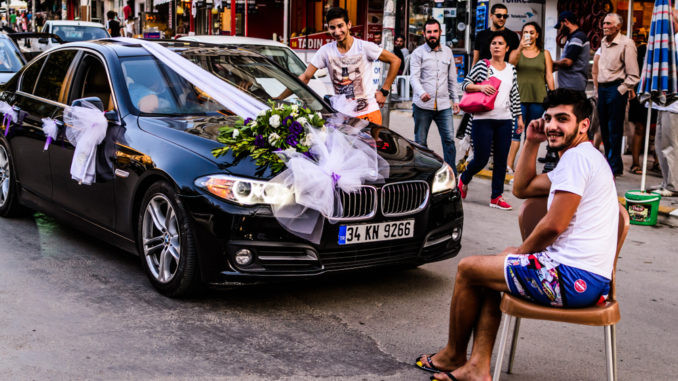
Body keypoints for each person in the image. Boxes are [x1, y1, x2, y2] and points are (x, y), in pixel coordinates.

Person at [415, 89, 619, 381]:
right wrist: (532, 142)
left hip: (573, 279)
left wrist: (521, 253)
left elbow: (553, 226)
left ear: (583, 125)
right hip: (586, 278)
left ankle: (452, 355)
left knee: (468, 268)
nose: (551, 126)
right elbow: (523, 188)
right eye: (548, 118)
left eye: (563, 119)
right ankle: (477, 367)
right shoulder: (582, 157)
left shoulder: (577, 160)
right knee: (493, 266)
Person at [293, 7, 400, 125]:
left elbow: (395, 60)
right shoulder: (326, 51)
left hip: (368, 113)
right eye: (332, 27)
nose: (337, 32)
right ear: (328, 28)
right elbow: (305, 77)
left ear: (349, 25)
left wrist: (384, 91)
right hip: (343, 116)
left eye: (340, 26)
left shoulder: (364, 47)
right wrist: (278, 98)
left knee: (370, 144)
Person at [458, 32, 523, 210]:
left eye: (500, 43)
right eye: (493, 43)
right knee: (481, 158)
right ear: (490, 47)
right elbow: (465, 84)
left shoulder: (511, 69)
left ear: (507, 48)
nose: (496, 46)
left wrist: (519, 117)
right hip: (483, 119)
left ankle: (496, 197)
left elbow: (515, 94)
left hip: (505, 120)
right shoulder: (482, 66)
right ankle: (464, 178)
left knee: (501, 160)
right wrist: (480, 86)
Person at [409, 19, 461, 174]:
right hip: (422, 106)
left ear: (440, 33)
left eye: (435, 31)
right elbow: (414, 77)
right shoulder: (418, 53)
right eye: (429, 32)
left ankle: (451, 173)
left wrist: (456, 100)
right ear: (424, 34)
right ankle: (421, 174)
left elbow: (452, 78)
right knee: (420, 142)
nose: (432, 35)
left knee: (449, 141)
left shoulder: (448, 52)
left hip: (444, 105)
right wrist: (421, 92)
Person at [507, 22, 555, 173]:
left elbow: (549, 75)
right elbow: (510, 64)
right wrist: (520, 47)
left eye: (532, 32)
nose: (529, 35)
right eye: (526, 32)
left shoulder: (544, 53)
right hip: (519, 99)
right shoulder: (517, 52)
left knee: (531, 136)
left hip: (538, 99)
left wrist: (553, 97)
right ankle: (509, 167)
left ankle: (525, 168)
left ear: (537, 35)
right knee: (516, 133)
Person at [597, 13, 639, 176]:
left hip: (616, 88)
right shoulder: (603, 41)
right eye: (604, 23)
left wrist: (620, 91)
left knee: (614, 129)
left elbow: (634, 75)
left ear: (618, 27)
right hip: (602, 88)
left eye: (608, 24)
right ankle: (612, 163)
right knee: (604, 130)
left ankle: (614, 166)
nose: (604, 26)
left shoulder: (626, 44)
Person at [651, 9, 678, 197]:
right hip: (662, 101)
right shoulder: (666, 42)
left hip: (673, 101)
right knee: (660, 142)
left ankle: (672, 185)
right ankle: (666, 181)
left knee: (670, 144)